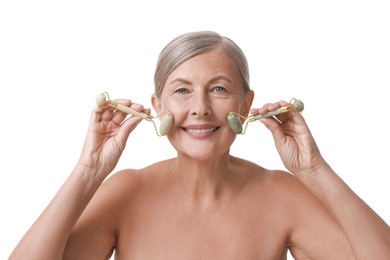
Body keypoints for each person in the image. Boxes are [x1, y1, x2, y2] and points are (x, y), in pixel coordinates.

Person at [9, 31, 390, 259]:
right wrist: (87, 172)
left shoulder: (281, 195)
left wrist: (314, 171)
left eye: (219, 89)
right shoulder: (126, 192)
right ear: (157, 108)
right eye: (182, 91)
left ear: (245, 104)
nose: (200, 109)